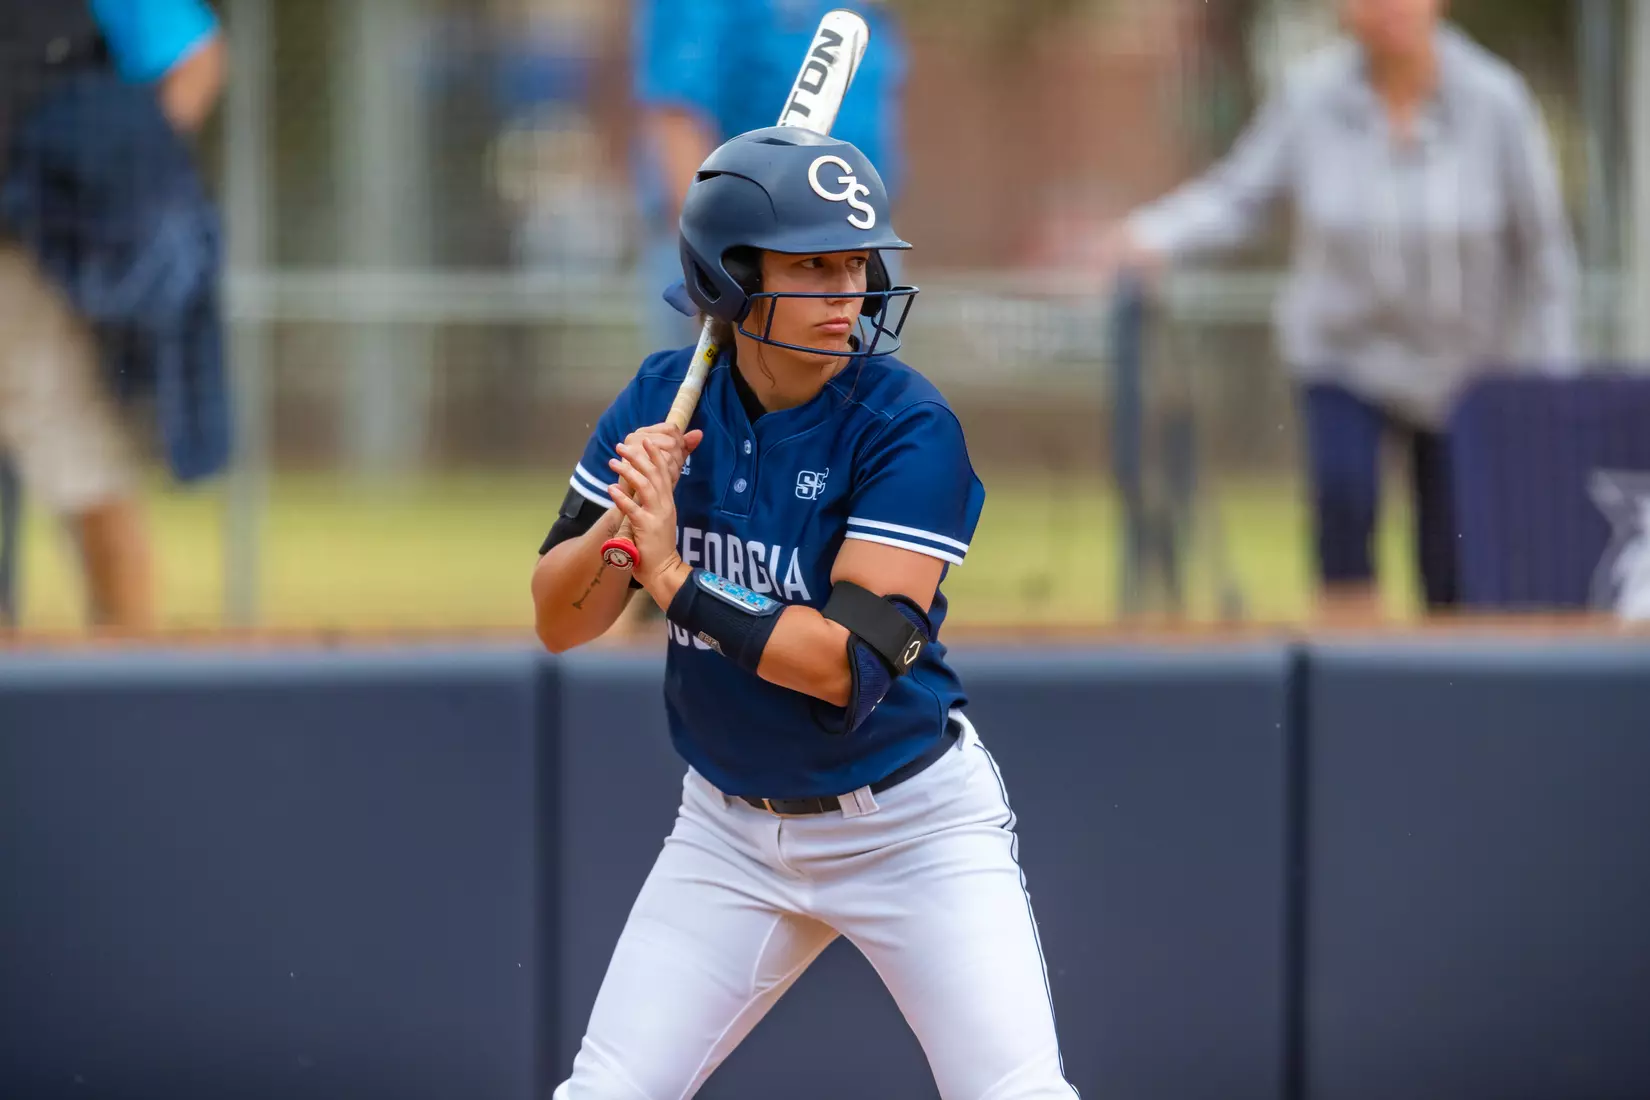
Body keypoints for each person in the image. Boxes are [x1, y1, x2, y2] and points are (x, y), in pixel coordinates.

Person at [531, 127, 1077, 1099]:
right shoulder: (662, 404)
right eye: (813, 264)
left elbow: (845, 665)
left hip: (909, 825)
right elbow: (559, 618)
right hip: (728, 831)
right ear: (732, 280)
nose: (851, 291)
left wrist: (674, 579)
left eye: (857, 262)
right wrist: (626, 516)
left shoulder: (909, 427)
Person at [1105, 0, 1577, 623]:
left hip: (1467, 369)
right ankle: (1349, 690)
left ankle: (1455, 692)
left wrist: (1548, 385)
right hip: (1344, 353)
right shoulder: (1310, 97)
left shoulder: (1499, 102)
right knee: (1345, 503)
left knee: (1454, 552)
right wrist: (1153, 235)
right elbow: (1240, 196)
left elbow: (1544, 254)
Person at [0, 0, 226, 630]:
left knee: (80, 462)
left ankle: (127, 676)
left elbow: (195, 59)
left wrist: (126, 167)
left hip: (26, 257)